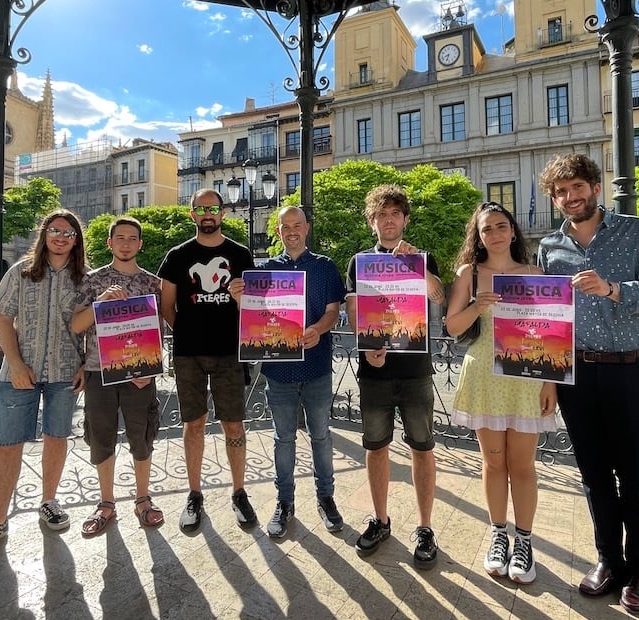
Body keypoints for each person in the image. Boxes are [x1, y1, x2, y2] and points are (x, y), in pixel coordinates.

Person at [536, 154, 639, 615]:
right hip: (577, 373)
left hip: (632, 369)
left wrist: (614, 289)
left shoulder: (638, 231)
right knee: (594, 476)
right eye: (560, 193)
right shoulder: (550, 247)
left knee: (635, 476)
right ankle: (608, 560)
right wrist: (550, 377)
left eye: (576, 188)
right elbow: (549, 319)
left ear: (595, 186)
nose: (569, 198)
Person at [0, 209, 87, 558]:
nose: (61, 237)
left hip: (64, 371)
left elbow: (90, 326)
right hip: (19, 374)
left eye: (69, 233)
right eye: (55, 230)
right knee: (9, 444)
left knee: (56, 439)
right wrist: (14, 364)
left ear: (77, 241)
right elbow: (2, 319)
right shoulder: (21, 272)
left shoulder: (84, 278)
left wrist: (86, 365)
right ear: (44, 234)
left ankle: (49, 501)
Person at [445, 202, 558, 583]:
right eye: (485, 229)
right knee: (493, 463)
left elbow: (551, 334)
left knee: (523, 466)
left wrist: (551, 384)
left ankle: (524, 540)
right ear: (477, 238)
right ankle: (498, 532)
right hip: (485, 378)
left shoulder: (536, 274)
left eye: (499, 226)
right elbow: (451, 326)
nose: (493, 234)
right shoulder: (469, 274)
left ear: (512, 230)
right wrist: (477, 305)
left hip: (526, 381)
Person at [345, 184, 446, 568]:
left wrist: (414, 265)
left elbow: (437, 297)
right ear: (373, 222)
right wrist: (365, 345)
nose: (388, 221)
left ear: (404, 219)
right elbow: (355, 312)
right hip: (374, 371)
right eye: (380, 215)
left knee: (423, 448)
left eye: (394, 215)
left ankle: (424, 527)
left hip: (416, 370)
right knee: (376, 447)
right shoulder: (359, 262)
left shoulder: (422, 257)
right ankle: (381, 519)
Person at [236, 205, 346, 539]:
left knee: (321, 436)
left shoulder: (325, 267)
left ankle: (326, 497)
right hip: (278, 370)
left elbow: (332, 312)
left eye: (297, 225)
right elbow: (257, 318)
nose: (292, 231)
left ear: (307, 228)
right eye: (286, 226)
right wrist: (240, 300)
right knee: (283, 438)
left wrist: (318, 328)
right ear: (279, 232)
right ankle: (285, 502)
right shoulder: (265, 270)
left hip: (316, 367)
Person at [158, 188, 256, 531]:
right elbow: (166, 306)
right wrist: (187, 329)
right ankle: (195, 493)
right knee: (194, 423)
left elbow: (255, 308)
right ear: (192, 214)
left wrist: (242, 300)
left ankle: (239, 491)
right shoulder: (177, 255)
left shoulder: (241, 254)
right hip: (189, 353)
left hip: (231, 352)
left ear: (223, 213)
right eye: (201, 208)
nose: (208, 213)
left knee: (233, 423)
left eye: (213, 208)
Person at [70, 216, 166, 535]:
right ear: (110, 243)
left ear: (140, 244)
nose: (126, 243)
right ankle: (106, 503)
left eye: (132, 238)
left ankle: (143, 499)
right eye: (120, 238)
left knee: (143, 436)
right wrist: (99, 304)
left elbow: (158, 332)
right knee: (101, 437)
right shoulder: (92, 281)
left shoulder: (153, 283)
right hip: (100, 372)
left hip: (139, 374)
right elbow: (75, 326)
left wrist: (149, 369)